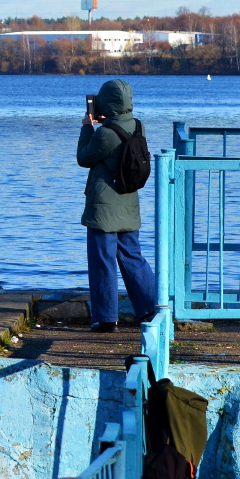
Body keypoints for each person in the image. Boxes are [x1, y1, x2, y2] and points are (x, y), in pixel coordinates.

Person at [77, 79, 157, 332]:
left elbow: (84, 157)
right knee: (133, 257)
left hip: (103, 208)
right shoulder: (138, 127)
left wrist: (87, 128)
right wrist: (107, 121)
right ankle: (150, 310)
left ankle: (106, 318)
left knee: (103, 261)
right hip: (128, 203)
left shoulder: (104, 133)